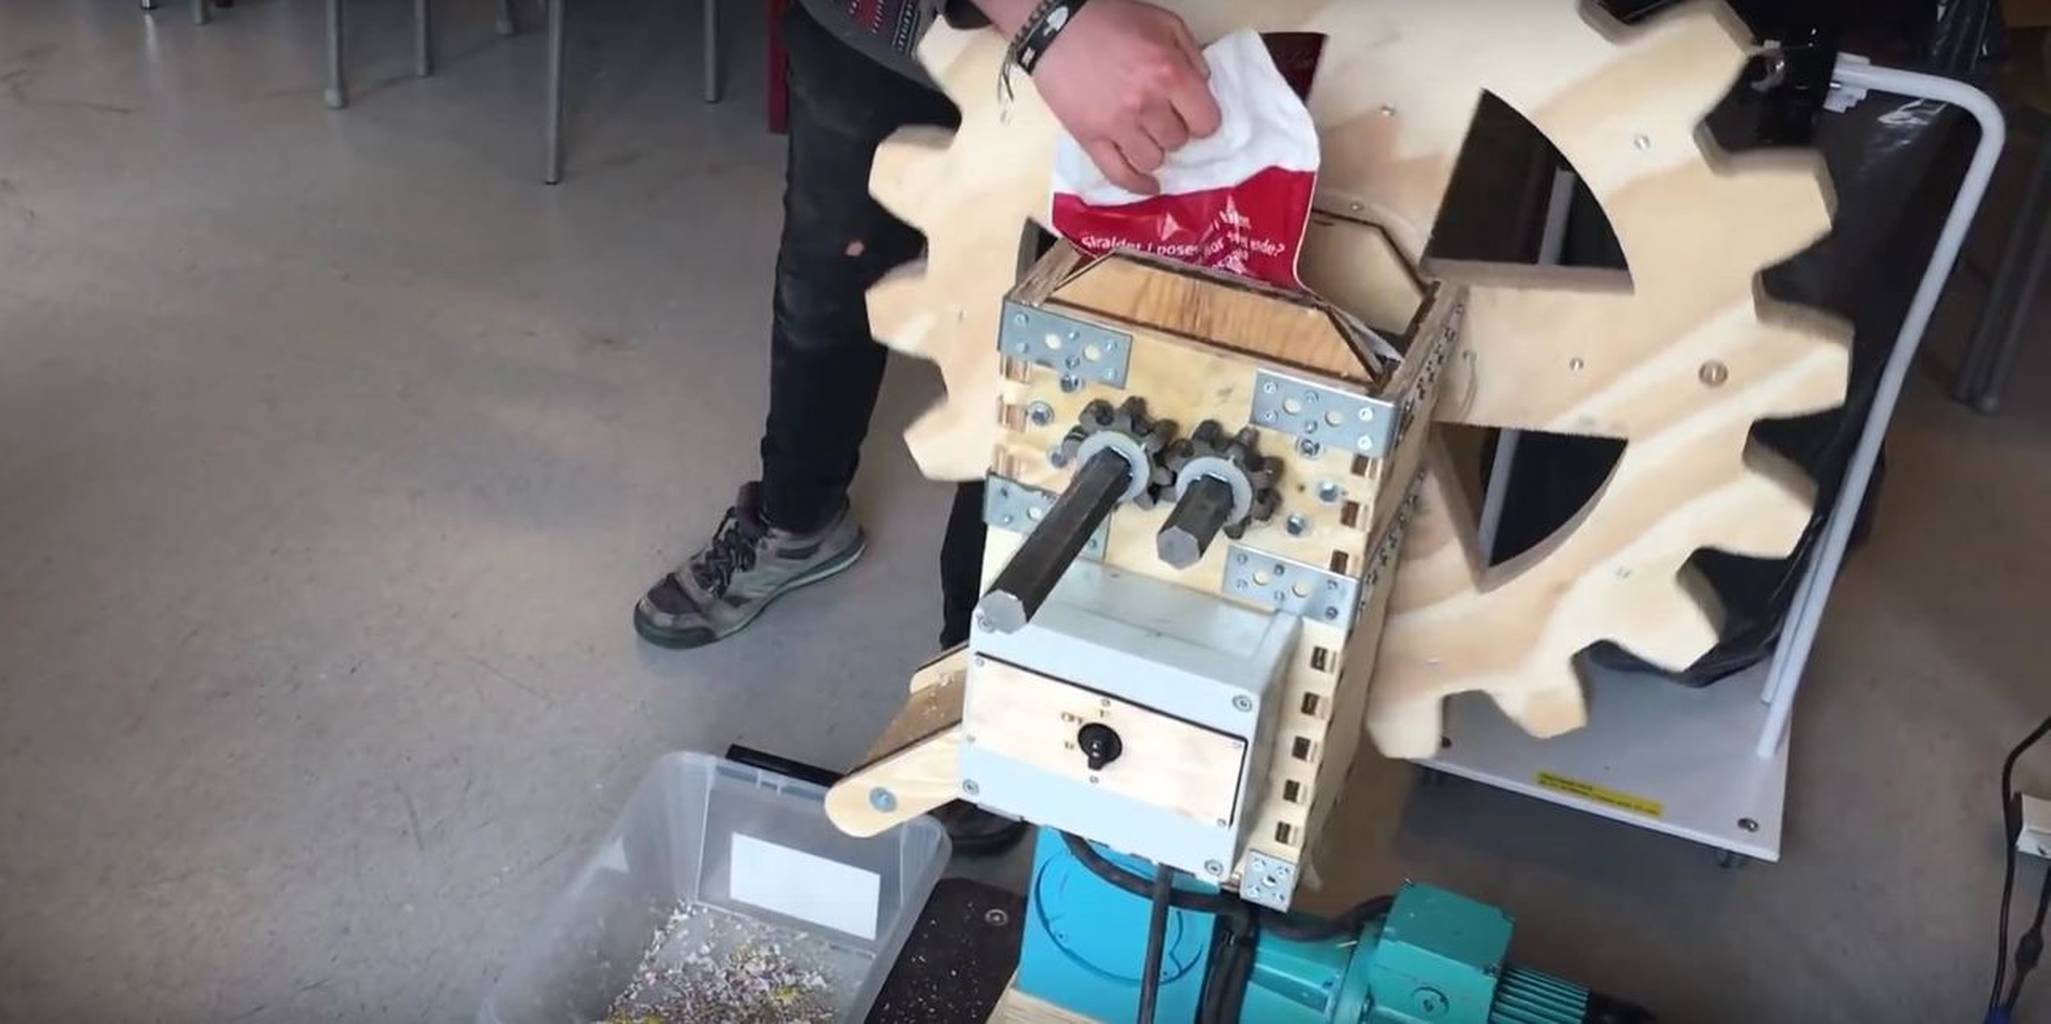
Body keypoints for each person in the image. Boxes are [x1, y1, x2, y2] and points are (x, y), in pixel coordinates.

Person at [632, 0, 1220, 844]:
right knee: (831, 275)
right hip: (890, 26)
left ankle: (986, 670)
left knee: (1051, 355)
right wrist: (1050, 19)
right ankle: (796, 522)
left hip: (1157, 48)